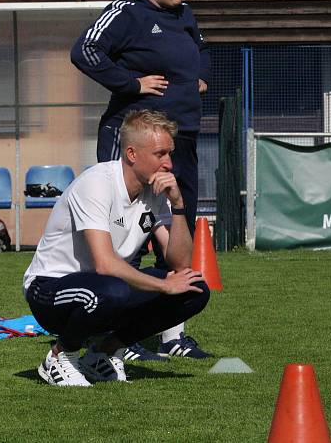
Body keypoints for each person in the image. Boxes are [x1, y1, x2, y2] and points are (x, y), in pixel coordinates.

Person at [70, 0, 212, 360]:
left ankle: (173, 337)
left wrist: (199, 78)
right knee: (127, 231)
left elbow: (201, 51)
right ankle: (113, 333)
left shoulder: (185, 15)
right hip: (135, 139)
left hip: (182, 135)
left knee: (177, 227)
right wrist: (131, 85)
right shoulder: (127, 11)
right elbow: (84, 50)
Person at [23, 110, 210, 387]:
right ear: (132, 154)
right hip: (50, 289)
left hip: (104, 288)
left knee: (194, 289)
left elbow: (180, 263)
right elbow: (105, 264)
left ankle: (103, 353)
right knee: (115, 288)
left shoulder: (155, 192)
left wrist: (179, 204)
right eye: (160, 154)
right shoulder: (97, 182)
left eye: (170, 154)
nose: (169, 164)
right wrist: (162, 286)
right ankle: (59, 357)